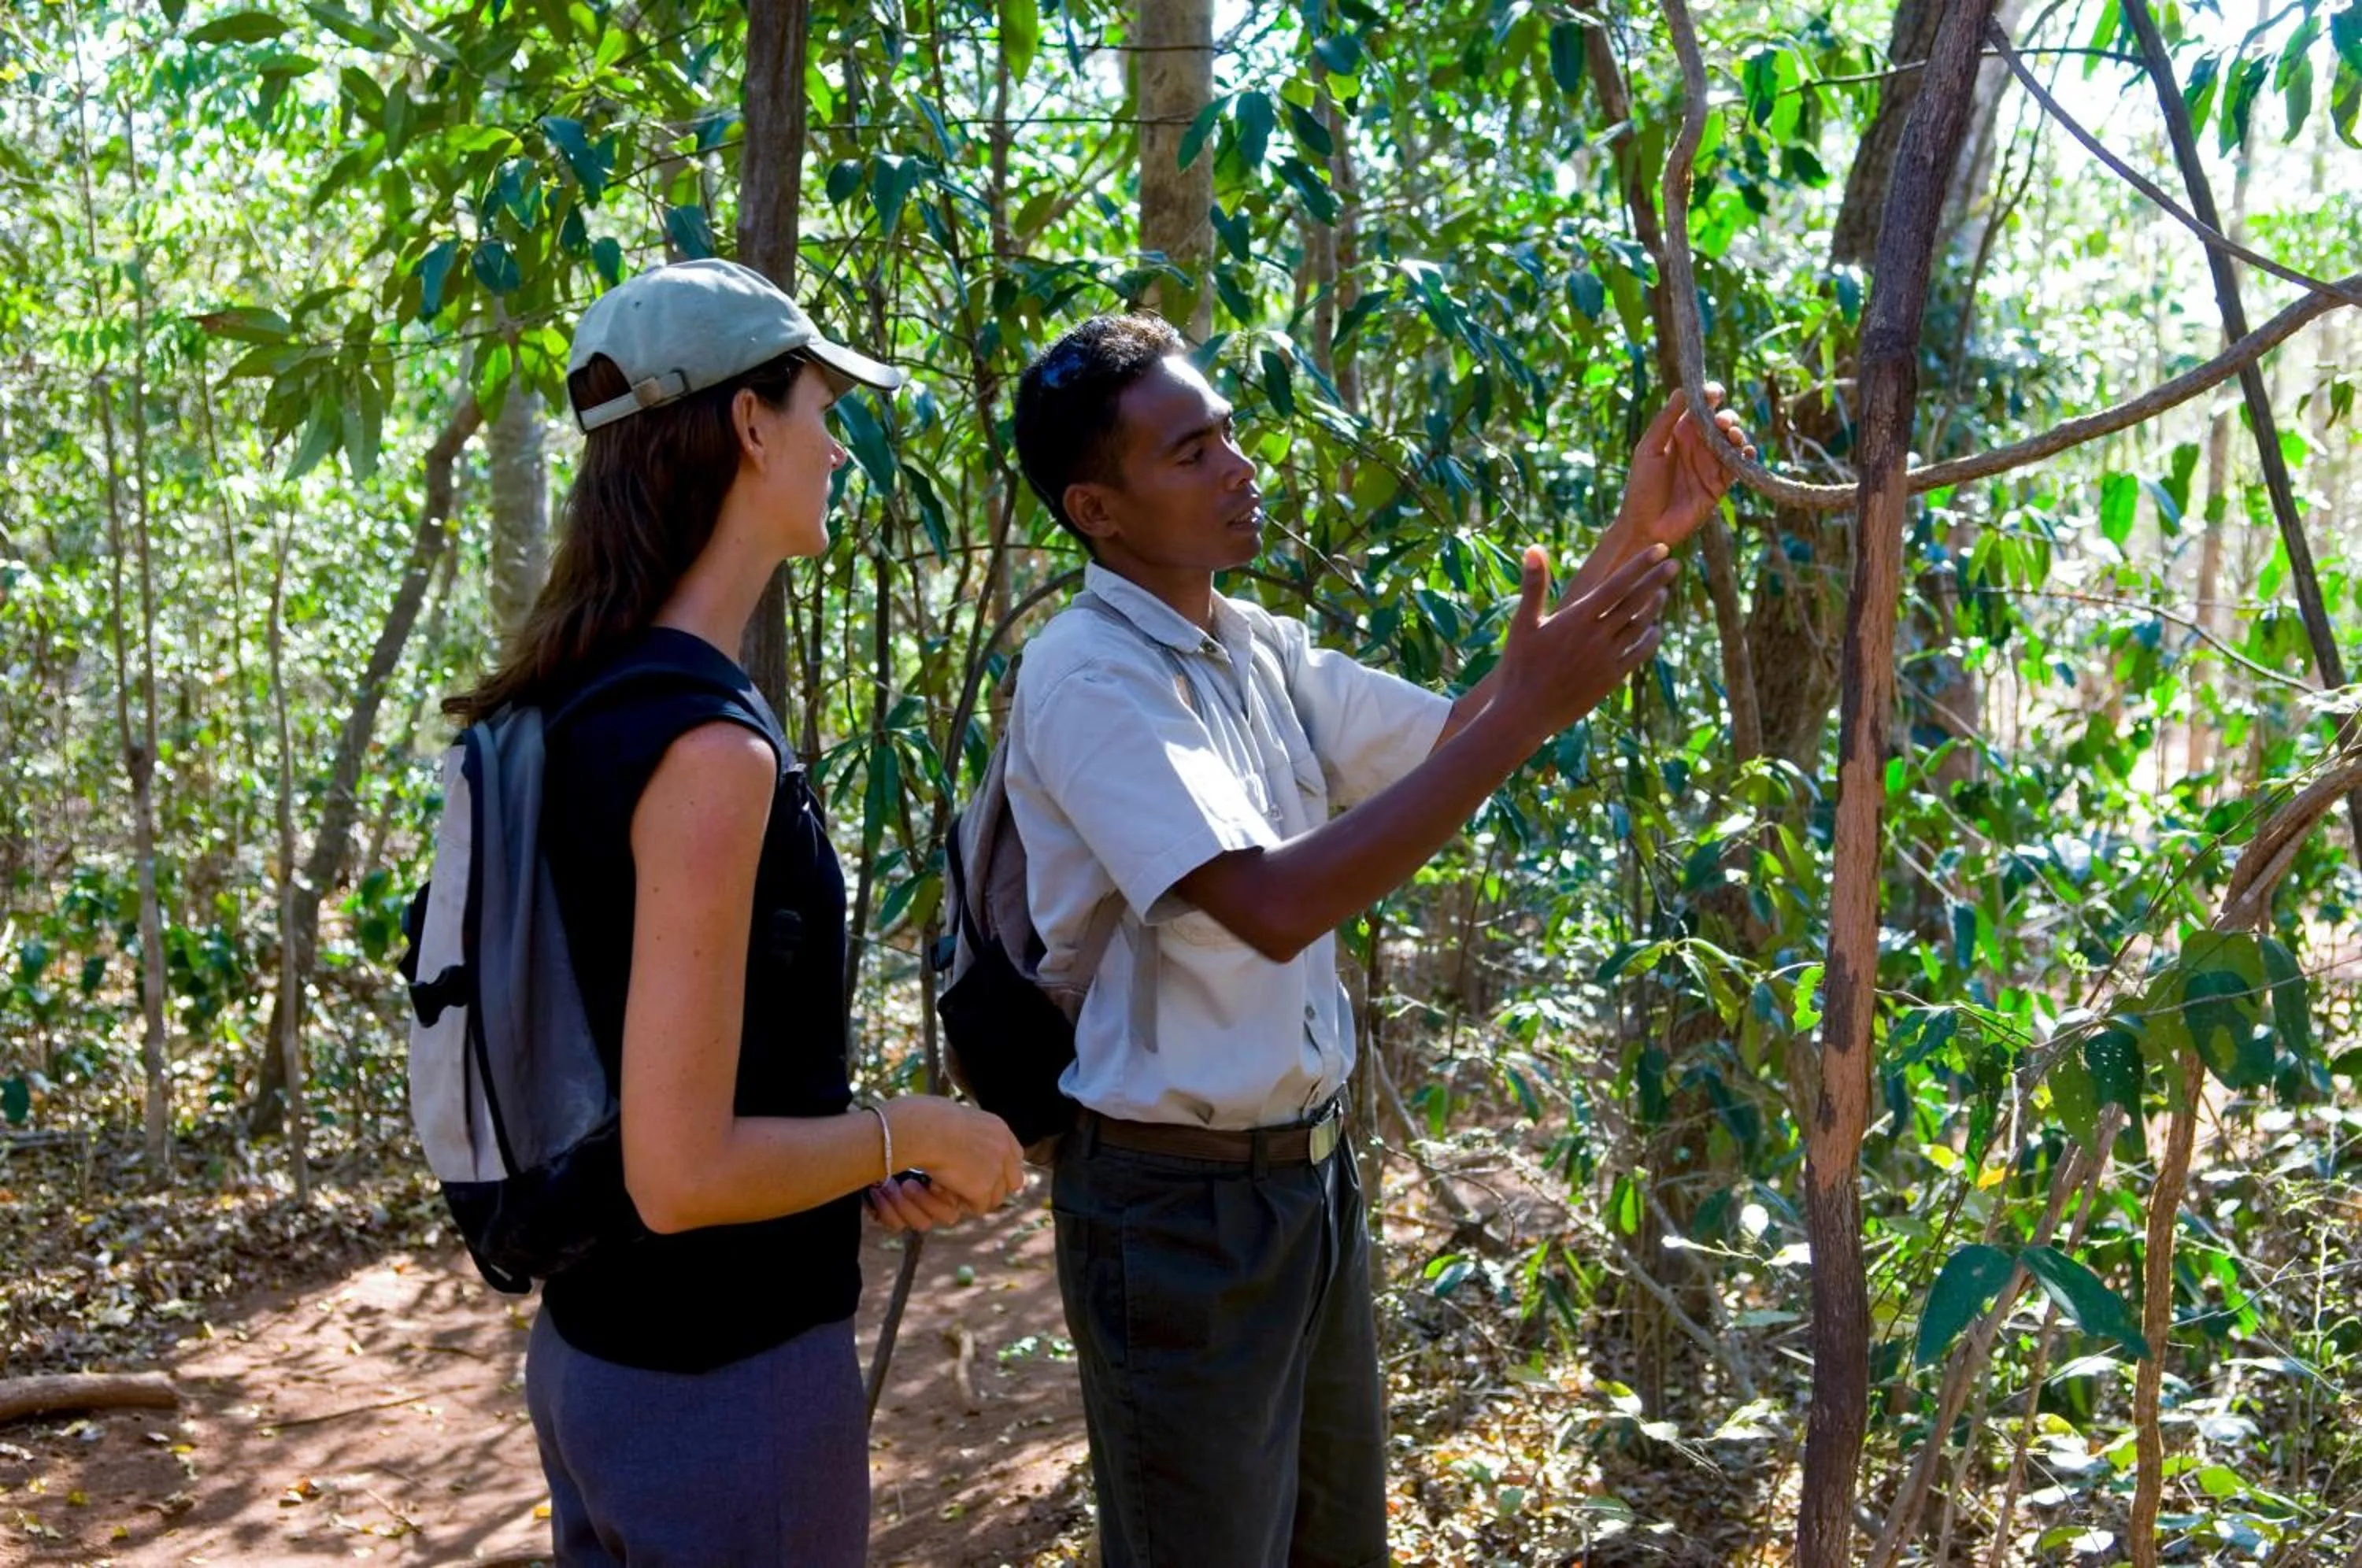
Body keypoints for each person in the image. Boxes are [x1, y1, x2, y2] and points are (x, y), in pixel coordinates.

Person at [1002, 312, 1754, 1567]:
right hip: (1173, 1213)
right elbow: (1271, 903)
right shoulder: (1086, 678)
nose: (1240, 467)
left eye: (1229, 433)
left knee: (1333, 1542)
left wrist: (1638, 535)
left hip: (1305, 1185)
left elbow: (1455, 730)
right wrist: (1521, 717)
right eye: (1191, 453)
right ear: (1098, 510)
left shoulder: (1250, 649)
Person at [443, 258, 1025, 1566]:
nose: (836, 443)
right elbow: (685, 1167)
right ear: (751, 425)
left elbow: (661, 1074)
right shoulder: (706, 752)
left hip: (600, 1362)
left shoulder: (580, 705)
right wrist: (907, 1128)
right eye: (822, 407)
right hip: (728, 1393)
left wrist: (853, 1160)